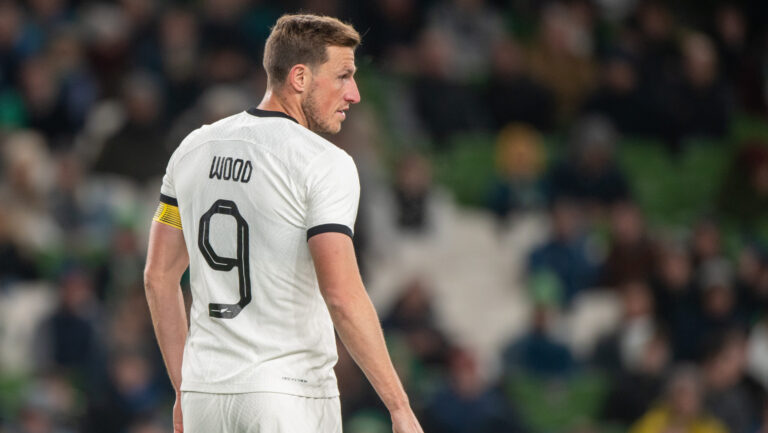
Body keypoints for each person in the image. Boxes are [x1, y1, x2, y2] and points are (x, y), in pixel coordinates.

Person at [143, 14, 423, 433]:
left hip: (205, 397)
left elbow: (158, 276)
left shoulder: (193, 149)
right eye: (343, 76)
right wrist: (399, 406)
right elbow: (342, 296)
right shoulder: (324, 163)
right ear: (299, 77)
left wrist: (184, 390)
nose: (354, 94)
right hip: (287, 397)